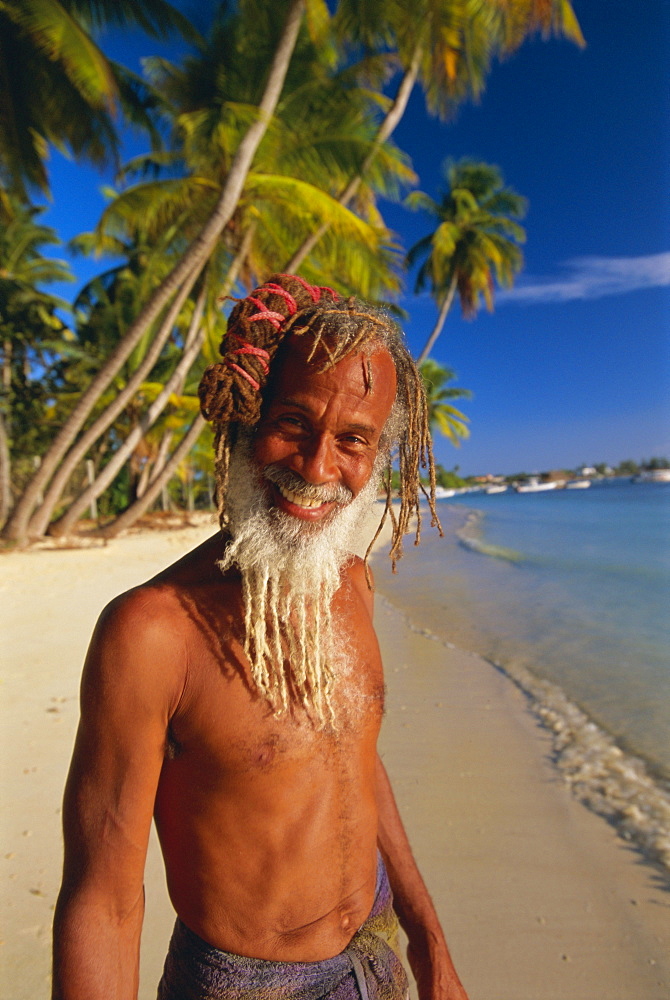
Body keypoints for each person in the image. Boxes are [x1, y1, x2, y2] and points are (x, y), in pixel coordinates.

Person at [52, 273, 469, 1000]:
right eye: (292, 424)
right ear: (246, 421)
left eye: (352, 440)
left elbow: (357, 759)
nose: (316, 468)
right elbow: (104, 902)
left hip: (375, 958)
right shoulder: (151, 634)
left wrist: (427, 937)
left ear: (378, 455)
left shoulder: (352, 585)